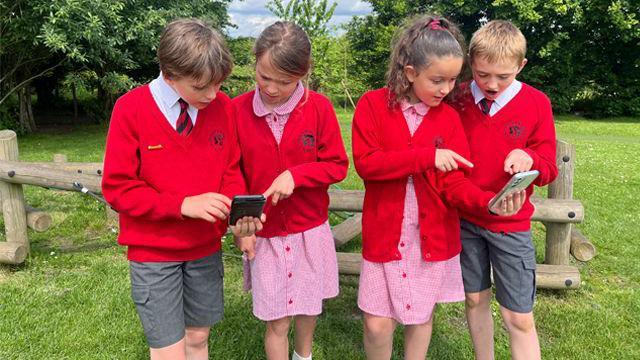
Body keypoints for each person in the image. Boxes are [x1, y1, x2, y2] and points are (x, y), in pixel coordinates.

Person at [352, 15, 523, 360]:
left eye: (452, 79)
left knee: (420, 317)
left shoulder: (448, 118)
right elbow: (368, 165)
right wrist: (426, 156)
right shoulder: (372, 106)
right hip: (386, 235)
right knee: (377, 325)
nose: (447, 89)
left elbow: (455, 184)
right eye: (437, 80)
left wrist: (488, 202)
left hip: (430, 238)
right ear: (411, 71)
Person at [102, 18, 262, 360]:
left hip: (204, 249)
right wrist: (182, 205)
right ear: (169, 73)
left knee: (198, 339)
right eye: (201, 86)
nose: (213, 95)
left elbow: (231, 171)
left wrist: (240, 219)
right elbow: (118, 189)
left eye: (218, 84)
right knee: (168, 351)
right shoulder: (130, 110)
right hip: (154, 255)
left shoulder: (221, 108)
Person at [232, 21, 349, 360]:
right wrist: (243, 226)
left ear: (303, 72)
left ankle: (304, 355)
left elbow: (337, 165)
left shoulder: (319, 109)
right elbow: (233, 173)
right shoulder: (237, 111)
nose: (271, 88)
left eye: (284, 82)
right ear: (254, 62)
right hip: (264, 233)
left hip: (309, 230)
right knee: (277, 318)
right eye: (264, 76)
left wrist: (297, 176)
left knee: (308, 307)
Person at [450, 20, 558, 360]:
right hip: (465, 220)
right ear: (470, 62)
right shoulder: (458, 99)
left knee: (519, 316)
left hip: (511, 227)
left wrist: (530, 156)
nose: (492, 84)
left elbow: (549, 167)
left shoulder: (537, 103)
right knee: (474, 299)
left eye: (503, 76)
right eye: (482, 74)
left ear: (521, 66)